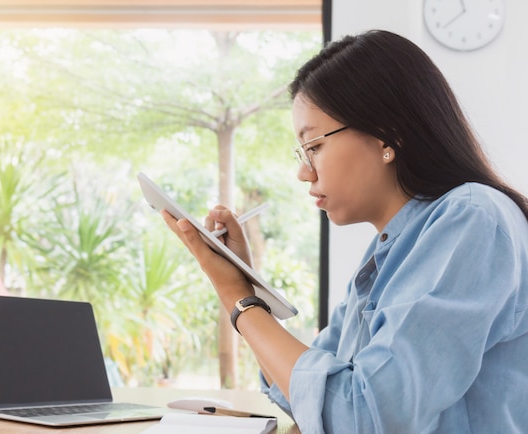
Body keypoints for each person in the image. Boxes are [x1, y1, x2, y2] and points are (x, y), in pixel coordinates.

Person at [161, 29, 528, 433]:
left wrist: (239, 300)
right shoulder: (390, 250)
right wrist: (248, 287)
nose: (304, 172)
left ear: (388, 135)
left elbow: (362, 418)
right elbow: (309, 397)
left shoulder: (473, 219)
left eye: (313, 146)